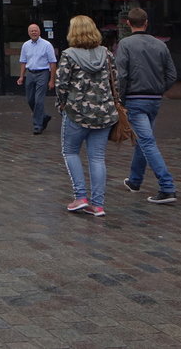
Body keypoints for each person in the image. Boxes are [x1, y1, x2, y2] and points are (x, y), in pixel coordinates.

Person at [55, 15, 119, 217]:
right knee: (97, 158)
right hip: (104, 113)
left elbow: (61, 84)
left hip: (77, 112)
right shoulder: (106, 54)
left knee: (70, 151)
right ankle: (98, 204)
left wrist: (62, 105)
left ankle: (80, 196)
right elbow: (115, 82)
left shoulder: (68, 55)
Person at [116, 8, 178, 204]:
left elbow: (121, 75)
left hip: (135, 99)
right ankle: (135, 180)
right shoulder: (160, 45)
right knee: (144, 139)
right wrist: (160, 89)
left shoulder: (125, 44)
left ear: (128, 23)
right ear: (146, 22)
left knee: (147, 142)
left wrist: (120, 99)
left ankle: (167, 187)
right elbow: (172, 74)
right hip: (154, 99)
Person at [17, 23, 56, 134]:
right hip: (30, 73)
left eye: (35, 30)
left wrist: (52, 80)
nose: (34, 32)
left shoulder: (47, 45)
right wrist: (21, 76)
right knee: (30, 99)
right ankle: (43, 116)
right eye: (31, 31)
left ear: (39, 32)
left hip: (43, 73)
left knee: (39, 100)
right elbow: (23, 62)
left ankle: (37, 125)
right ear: (28, 33)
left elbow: (53, 63)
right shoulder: (25, 45)